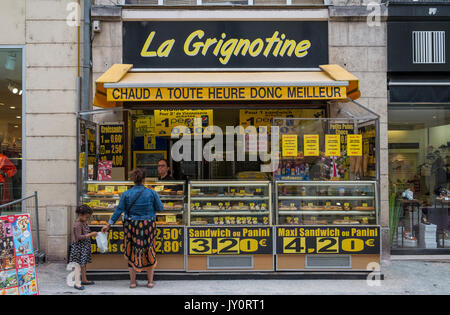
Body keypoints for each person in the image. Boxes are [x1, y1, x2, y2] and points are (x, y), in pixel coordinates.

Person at [102, 168, 163, 288]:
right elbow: (160, 208)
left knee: (131, 251)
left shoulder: (126, 194)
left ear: (132, 180)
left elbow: (118, 211)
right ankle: (150, 282)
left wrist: (109, 224)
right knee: (149, 249)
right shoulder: (151, 193)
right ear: (144, 180)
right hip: (148, 225)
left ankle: (133, 282)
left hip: (131, 226)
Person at [69, 204, 97, 291]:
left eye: (88, 218)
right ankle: (77, 283)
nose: (87, 219)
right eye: (86, 217)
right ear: (80, 215)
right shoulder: (77, 224)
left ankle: (84, 279)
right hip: (78, 248)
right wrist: (90, 234)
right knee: (77, 265)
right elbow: (79, 237)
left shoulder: (83, 222)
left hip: (83, 247)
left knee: (83, 264)